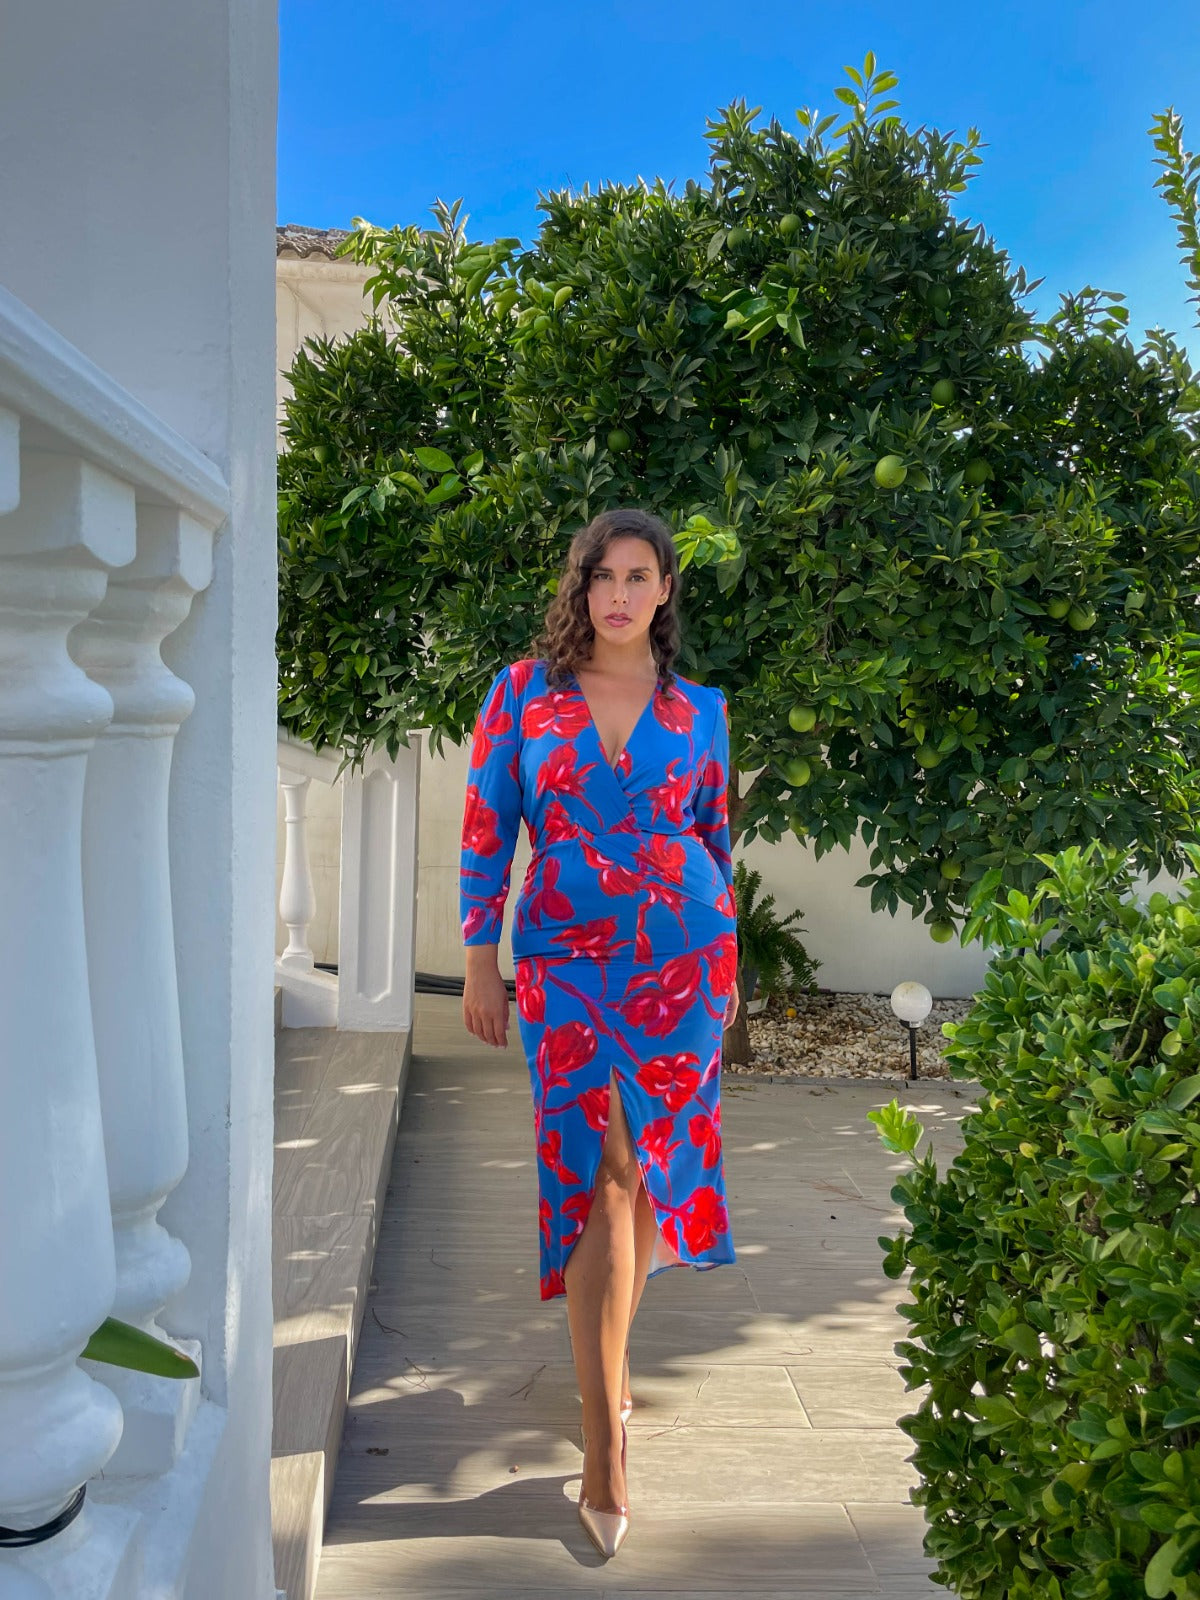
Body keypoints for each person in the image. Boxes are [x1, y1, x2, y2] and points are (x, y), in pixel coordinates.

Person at [459, 506, 739, 1559]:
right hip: (565, 965)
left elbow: (714, 839)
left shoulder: (702, 711)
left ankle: (610, 1375)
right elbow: (488, 828)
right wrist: (478, 959)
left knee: (641, 1174)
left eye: (637, 576)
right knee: (596, 1173)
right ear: (579, 587)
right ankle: (603, 1439)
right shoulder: (522, 694)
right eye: (601, 575)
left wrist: (729, 966)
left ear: (664, 590)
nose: (618, 594)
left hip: (682, 958)